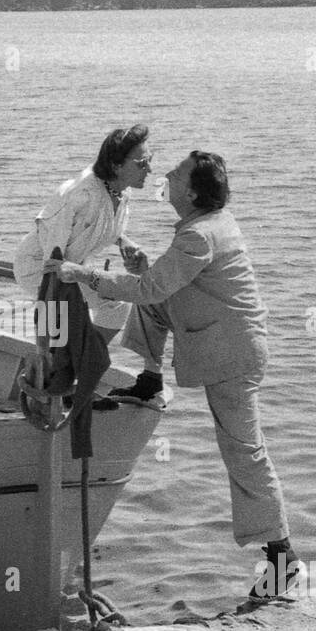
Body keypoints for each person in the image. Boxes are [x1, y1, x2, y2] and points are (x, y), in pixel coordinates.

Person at [45, 150, 300, 598]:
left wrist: (80, 273)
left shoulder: (199, 235)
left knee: (244, 451)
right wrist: (145, 269)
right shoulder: (207, 226)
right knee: (147, 305)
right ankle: (149, 377)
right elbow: (164, 284)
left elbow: (152, 288)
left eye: (177, 174)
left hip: (233, 356)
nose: (165, 174)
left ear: (194, 192)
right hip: (222, 335)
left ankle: (283, 558)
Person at [13, 125, 152, 343]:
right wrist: (42, 341)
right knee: (66, 334)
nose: (150, 169)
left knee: (117, 304)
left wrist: (124, 242)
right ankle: (69, 359)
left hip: (73, 266)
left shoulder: (122, 190)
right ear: (116, 166)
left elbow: (102, 226)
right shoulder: (78, 194)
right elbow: (52, 264)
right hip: (38, 267)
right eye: (142, 163)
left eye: (150, 159)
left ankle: (84, 360)